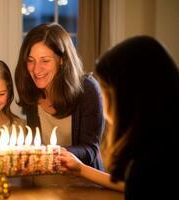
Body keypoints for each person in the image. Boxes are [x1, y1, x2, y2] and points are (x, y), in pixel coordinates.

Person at [59, 36, 179, 199]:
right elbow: (128, 183)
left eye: (105, 92)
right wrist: (80, 169)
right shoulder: (159, 145)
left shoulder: (149, 162)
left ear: (126, 97)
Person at [15, 23, 105, 172]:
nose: (36, 69)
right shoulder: (32, 89)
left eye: (45, 60)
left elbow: (90, 150)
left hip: (82, 184)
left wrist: (53, 154)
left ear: (62, 59)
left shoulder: (87, 89)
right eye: (31, 60)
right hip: (41, 184)